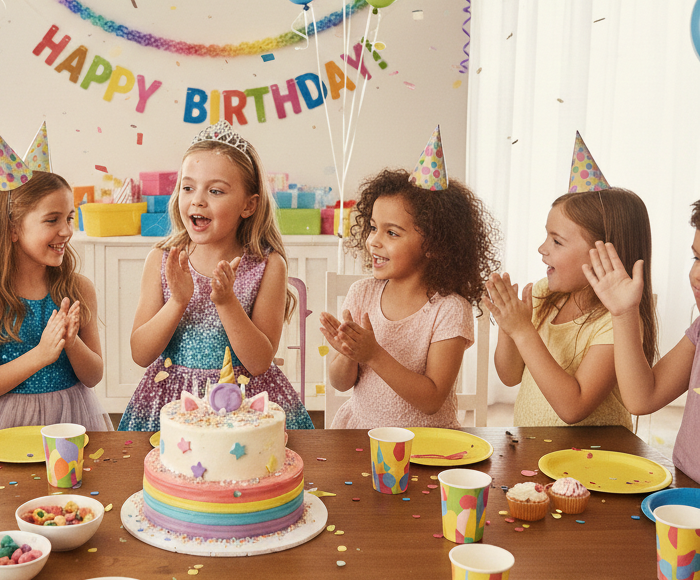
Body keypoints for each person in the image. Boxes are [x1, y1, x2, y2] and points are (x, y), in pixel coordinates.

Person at [118, 120, 313, 431]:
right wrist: (178, 301)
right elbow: (140, 353)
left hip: (244, 406)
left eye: (216, 190)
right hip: (172, 403)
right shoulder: (161, 259)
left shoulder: (267, 265)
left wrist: (226, 302)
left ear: (249, 205)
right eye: (188, 187)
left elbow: (260, 361)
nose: (197, 199)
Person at [321, 127, 501, 429]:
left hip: (428, 445)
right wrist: (348, 353)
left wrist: (374, 354)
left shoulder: (449, 310)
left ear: (432, 244)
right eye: (373, 227)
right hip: (362, 438)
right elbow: (341, 383)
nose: (374, 241)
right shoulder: (361, 294)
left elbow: (431, 399)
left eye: (391, 232)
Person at [485, 134, 655, 429]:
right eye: (546, 236)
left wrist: (523, 331)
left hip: (594, 462)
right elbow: (510, 376)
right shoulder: (543, 294)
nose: (542, 249)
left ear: (603, 252)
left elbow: (574, 407)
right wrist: (508, 326)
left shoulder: (616, 323)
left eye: (557, 241)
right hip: (536, 453)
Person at [0, 127, 110, 432]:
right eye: (52, 220)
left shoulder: (78, 289)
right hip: (4, 424)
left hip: (70, 420)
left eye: (69, 218)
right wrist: (41, 355)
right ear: (11, 229)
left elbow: (93, 376)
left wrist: (70, 342)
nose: (66, 231)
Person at [583, 199, 697, 482]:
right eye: (697, 258)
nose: (695, 275)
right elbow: (641, 398)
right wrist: (623, 314)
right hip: (686, 489)